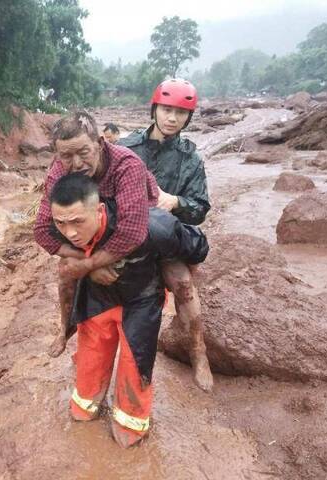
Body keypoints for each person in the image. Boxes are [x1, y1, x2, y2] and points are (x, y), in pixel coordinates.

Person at [49, 173, 209, 448]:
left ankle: (198, 352)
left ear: (99, 211)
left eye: (78, 222)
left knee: (135, 369)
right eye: (61, 223)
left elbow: (197, 247)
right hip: (98, 300)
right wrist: (65, 327)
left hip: (141, 300)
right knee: (86, 383)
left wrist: (179, 267)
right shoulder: (59, 227)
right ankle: (87, 397)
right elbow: (65, 271)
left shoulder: (155, 226)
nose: (70, 232)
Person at [33, 111, 160, 358]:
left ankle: (197, 348)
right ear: (58, 155)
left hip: (144, 224)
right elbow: (41, 230)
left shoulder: (127, 165)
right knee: (65, 272)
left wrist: (88, 263)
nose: (76, 164)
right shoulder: (59, 170)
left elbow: (132, 233)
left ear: (100, 144)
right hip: (92, 227)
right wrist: (88, 266)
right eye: (67, 156)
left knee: (179, 278)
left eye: (83, 152)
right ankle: (65, 327)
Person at [118, 78, 213, 391]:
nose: (172, 118)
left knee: (183, 283)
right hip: (128, 236)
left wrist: (175, 202)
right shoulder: (126, 148)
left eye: (181, 113)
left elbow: (200, 209)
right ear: (154, 109)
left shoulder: (190, 158)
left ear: (189, 117)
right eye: (167, 109)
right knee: (92, 277)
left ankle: (199, 354)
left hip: (166, 239)